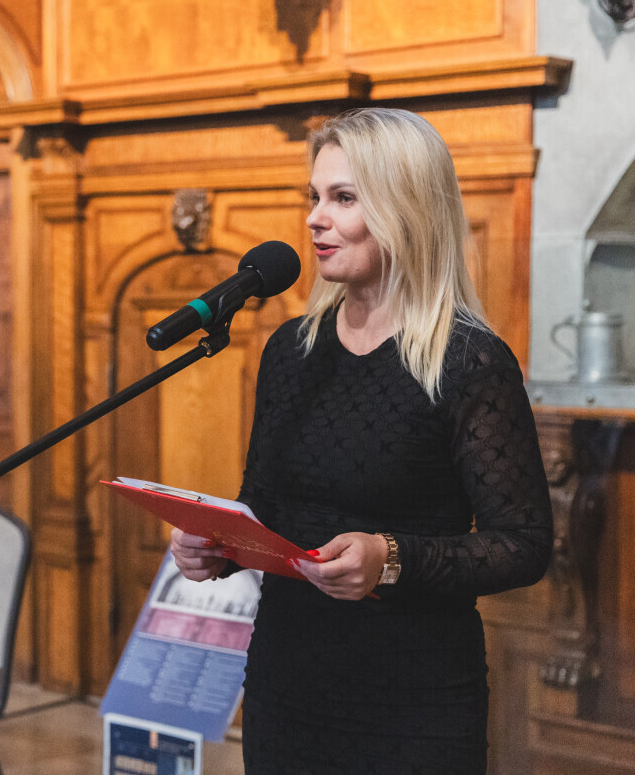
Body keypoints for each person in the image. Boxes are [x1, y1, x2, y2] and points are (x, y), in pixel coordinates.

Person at [169, 108, 553, 774]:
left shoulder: (469, 360)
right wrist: (217, 545)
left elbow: (523, 545)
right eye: (314, 196)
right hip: (288, 682)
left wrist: (391, 557)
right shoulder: (290, 349)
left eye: (343, 198)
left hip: (414, 697)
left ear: (407, 209)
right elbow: (265, 506)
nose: (315, 218)